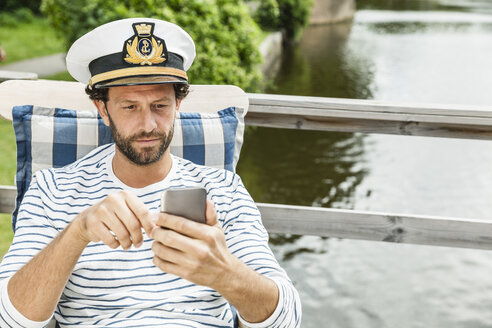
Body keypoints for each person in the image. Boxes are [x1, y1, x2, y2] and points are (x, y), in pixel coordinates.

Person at [0, 18, 301, 327]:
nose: (148, 125)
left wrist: (225, 274)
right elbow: (9, 319)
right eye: (130, 107)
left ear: (178, 103)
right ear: (102, 108)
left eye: (160, 106)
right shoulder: (53, 189)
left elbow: (286, 320)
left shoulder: (223, 188)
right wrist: (77, 232)